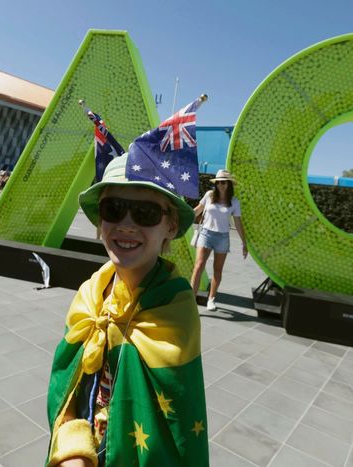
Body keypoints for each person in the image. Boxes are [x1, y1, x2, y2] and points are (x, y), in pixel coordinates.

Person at [46, 156, 208, 466]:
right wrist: (73, 451)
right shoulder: (90, 295)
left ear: (171, 226)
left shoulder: (175, 309)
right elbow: (69, 391)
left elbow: (173, 426)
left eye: (145, 213)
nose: (127, 225)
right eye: (114, 209)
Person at [190, 169, 247, 311]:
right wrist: (182, 217)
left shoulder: (234, 202)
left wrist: (244, 243)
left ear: (229, 184)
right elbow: (197, 210)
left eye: (224, 182)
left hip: (222, 237)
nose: (221, 185)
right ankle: (191, 299)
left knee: (217, 270)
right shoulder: (209, 195)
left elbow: (238, 223)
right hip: (206, 234)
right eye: (219, 182)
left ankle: (211, 298)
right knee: (198, 266)